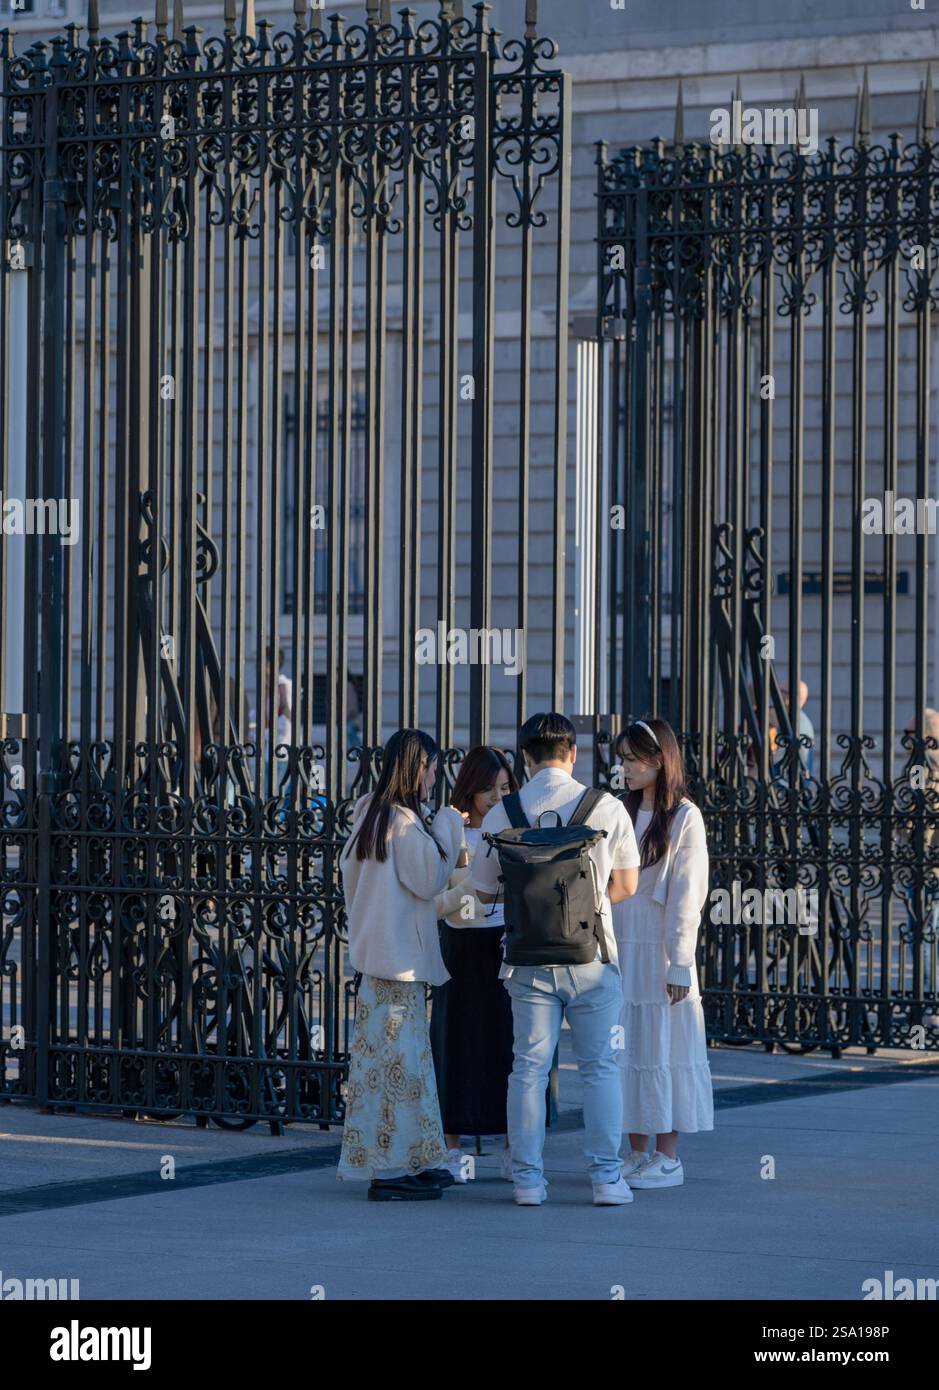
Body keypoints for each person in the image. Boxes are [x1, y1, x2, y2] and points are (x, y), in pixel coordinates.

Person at [470, 712, 640, 1207]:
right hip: (593, 959)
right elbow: (627, 885)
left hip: (525, 960)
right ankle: (607, 1179)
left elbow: (482, 893)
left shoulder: (505, 813)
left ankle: (527, 1181)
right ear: (572, 754)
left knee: (528, 1069)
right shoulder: (606, 807)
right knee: (601, 1068)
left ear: (525, 757)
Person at [338, 728, 465, 1201]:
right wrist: (450, 826)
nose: (435, 777)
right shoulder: (403, 822)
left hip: (377, 963)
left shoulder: (369, 813)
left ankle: (413, 1159)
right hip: (400, 965)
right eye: (432, 767)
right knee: (401, 1070)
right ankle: (391, 1171)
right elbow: (430, 880)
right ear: (419, 768)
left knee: (391, 1069)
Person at [612, 717, 713, 1190]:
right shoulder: (620, 810)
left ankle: (667, 1155)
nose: (626, 767)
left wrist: (680, 962)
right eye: (624, 759)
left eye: (634, 759)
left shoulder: (684, 816)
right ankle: (635, 1151)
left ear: (659, 760)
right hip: (621, 945)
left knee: (665, 1047)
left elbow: (686, 895)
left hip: (659, 947)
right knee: (628, 1047)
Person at [430, 746, 518, 1183]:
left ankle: (512, 1144)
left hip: (504, 943)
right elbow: (438, 892)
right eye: (488, 788)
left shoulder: (515, 825)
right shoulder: (452, 826)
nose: (496, 798)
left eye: (503, 788)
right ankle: (452, 1146)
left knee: (507, 1046)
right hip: (462, 945)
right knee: (456, 1044)